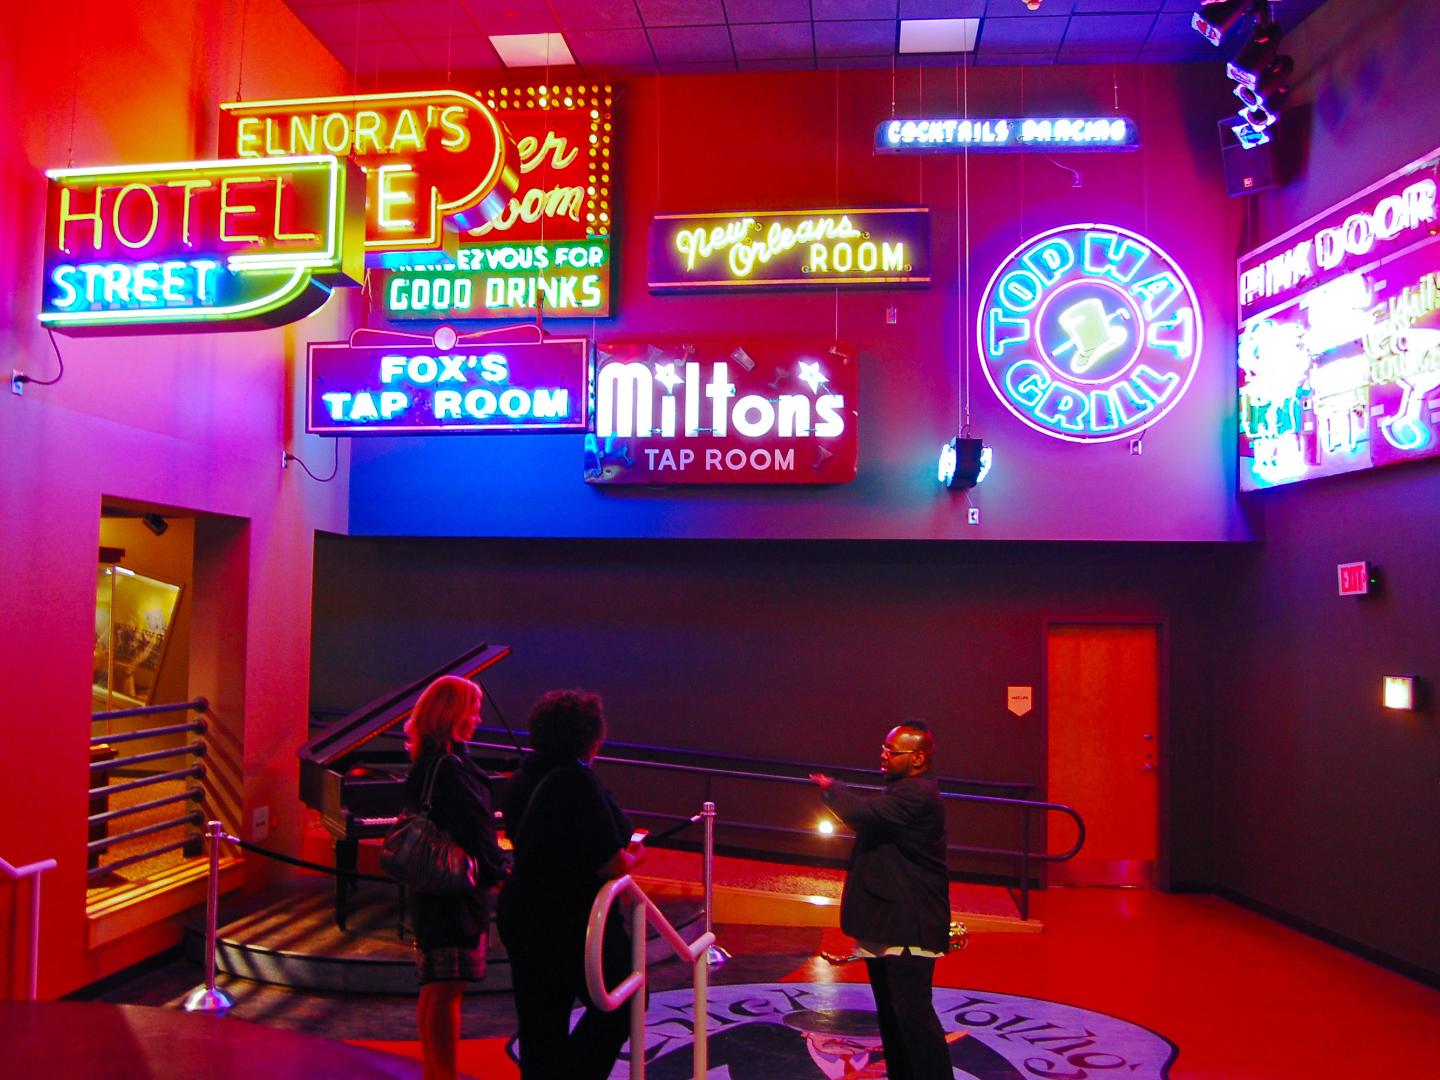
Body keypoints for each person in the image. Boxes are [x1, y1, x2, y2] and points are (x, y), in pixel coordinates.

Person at [497, 690, 645, 1080]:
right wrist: (634, 857)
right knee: (626, 1000)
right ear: (590, 736)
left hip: (523, 911)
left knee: (540, 1022)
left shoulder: (521, 777)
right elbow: (611, 863)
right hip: (577, 920)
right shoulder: (578, 783)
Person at [809, 720, 952, 1080]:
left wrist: (833, 789)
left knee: (912, 1017)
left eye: (892, 751)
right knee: (892, 1017)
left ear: (918, 758)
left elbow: (861, 814)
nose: (883, 755)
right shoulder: (904, 792)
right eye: (884, 748)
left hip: (908, 926)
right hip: (890, 924)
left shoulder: (916, 795)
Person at [403, 674, 508, 1080]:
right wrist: (499, 871)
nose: (478, 718)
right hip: (455, 891)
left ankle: (435, 1071)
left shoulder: (428, 764)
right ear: (453, 714)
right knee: (448, 988)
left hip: (432, 888)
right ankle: (442, 1074)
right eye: (472, 709)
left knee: (436, 986)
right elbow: (476, 830)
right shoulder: (451, 769)